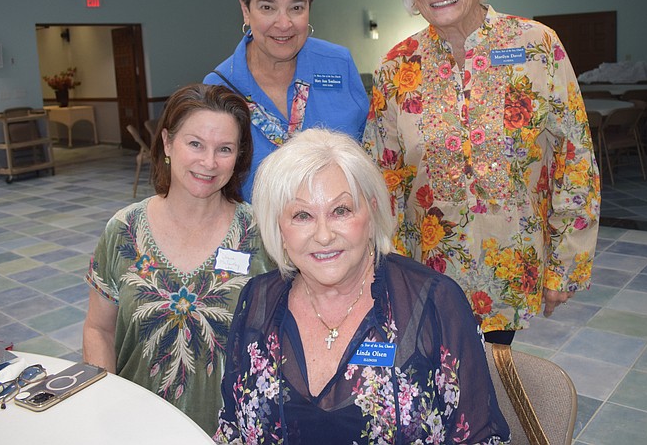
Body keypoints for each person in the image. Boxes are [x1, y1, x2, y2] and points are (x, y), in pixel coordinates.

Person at [364, 0, 600, 346]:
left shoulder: (537, 46)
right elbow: (382, 177)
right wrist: (384, 273)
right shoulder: (397, 66)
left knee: (490, 386)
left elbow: (575, 159)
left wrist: (565, 265)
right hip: (425, 276)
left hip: (509, 271)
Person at [215, 128, 510, 444]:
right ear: (279, 228)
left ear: (370, 212)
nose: (324, 235)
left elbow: (478, 437)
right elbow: (233, 429)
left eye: (340, 211)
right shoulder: (259, 300)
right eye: (302, 215)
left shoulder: (435, 302)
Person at [82, 83, 274, 433]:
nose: (209, 162)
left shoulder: (263, 235)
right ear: (168, 142)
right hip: (135, 427)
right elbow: (99, 329)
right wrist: (103, 405)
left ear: (239, 156)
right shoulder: (124, 231)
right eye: (195, 144)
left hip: (232, 431)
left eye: (225, 149)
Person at [204, 0, 369, 200]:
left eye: (296, 7)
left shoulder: (338, 63)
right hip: (258, 236)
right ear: (245, 9)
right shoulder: (219, 87)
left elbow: (368, 153)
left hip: (337, 230)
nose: (284, 23)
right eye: (267, 7)